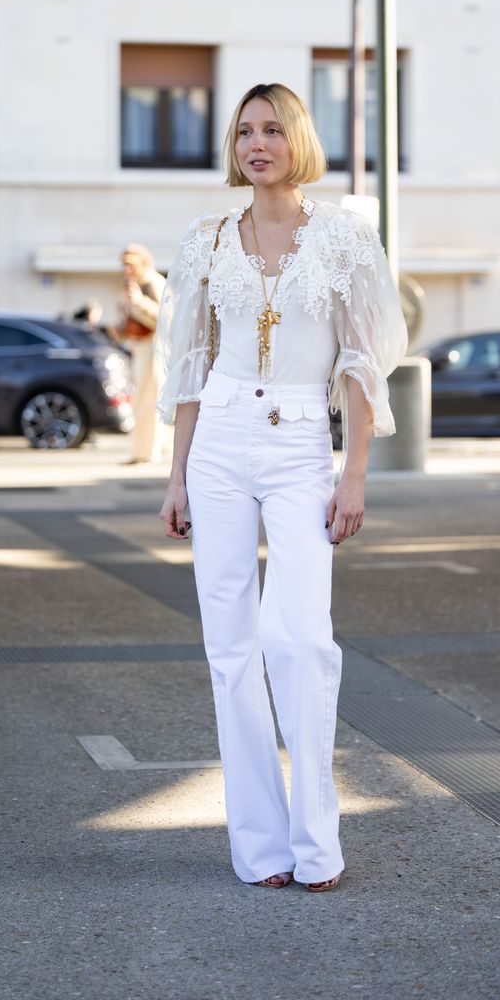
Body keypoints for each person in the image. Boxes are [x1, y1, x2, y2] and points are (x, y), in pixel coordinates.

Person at [157, 83, 407, 892]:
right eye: (243, 131)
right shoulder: (204, 239)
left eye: (271, 129)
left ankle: (317, 844)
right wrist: (176, 475)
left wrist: (354, 473)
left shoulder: (343, 240)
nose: (256, 143)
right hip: (220, 442)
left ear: (298, 139)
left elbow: (364, 368)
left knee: (299, 640)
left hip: (301, 442)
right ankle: (259, 848)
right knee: (231, 650)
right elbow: (188, 366)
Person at [114, 244, 166, 464]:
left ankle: (149, 453)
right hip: (140, 347)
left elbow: (165, 318)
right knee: (140, 401)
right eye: (124, 265)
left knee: (151, 400)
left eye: (131, 265)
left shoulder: (153, 283)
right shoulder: (136, 285)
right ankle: (140, 451)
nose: (127, 270)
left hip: (154, 348)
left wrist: (140, 302)